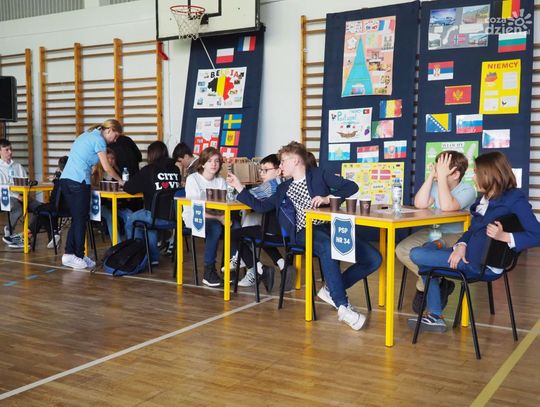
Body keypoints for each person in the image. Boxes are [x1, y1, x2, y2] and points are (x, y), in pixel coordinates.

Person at [227, 141, 382, 331]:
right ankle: (342, 306)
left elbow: (351, 186)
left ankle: (330, 290)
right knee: (326, 246)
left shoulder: (319, 175)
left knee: (374, 259)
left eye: (283, 161)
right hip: (303, 232)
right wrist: (239, 187)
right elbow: (261, 206)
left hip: (329, 229)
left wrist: (327, 198)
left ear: (295, 161)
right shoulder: (283, 188)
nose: (281, 166)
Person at [408, 152, 540, 332]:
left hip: (482, 264)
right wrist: (461, 246)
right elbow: (471, 230)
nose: (473, 177)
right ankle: (435, 315)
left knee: (417, 254)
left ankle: (435, 314)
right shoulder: (483, 199)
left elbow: (537, 234)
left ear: (489, 174)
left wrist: (505, 237)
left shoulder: (514, 198)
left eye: (477, 172)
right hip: (468, 255)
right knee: (426, 254)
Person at [396, 151, 476, 313]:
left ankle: (423, 286)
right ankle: (438, 282)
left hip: (457, 235)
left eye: (442, 169)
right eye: (437, 167)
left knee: (425, 252)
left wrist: (441, 180)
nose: (438, 171)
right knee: (402, 249)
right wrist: (431, 177)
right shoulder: (435, 185)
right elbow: (420, 204)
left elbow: (447, 206)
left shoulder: (467, 190)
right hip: (435, 231)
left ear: (456, 175)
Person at [60, 119, 124, 270]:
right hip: (79, 181)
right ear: (109, 130)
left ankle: (70, 254)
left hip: (66, 180)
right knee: (81, 219)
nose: (115, 140)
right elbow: (107, 167)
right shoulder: (99, 140)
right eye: (115, 136)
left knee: (77, 218)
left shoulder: (87, 135)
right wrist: (120, 180)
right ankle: (78, 255)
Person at [183, 147, 240, 287]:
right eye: (209, 161)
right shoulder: (193, 179)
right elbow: (196, 209)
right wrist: (220, 218)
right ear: (203, 163)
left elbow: (224, 205)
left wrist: (224, 218)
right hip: (195, 217)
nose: (214, 164)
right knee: (215, 227)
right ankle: (208, 273)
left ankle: (229, 267)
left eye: (217, 161)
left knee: (235, 225)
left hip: (216, 216)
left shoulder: (220, 181)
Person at [230, 154, 285, 291]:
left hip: (272, 232)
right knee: (254, 228)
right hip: (285, 234)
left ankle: (257, 268)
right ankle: (282, 263)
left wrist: (237, 187)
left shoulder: (270, 185)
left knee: (234, 234)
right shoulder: (285, 183)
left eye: (266, 170)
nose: (262, 173)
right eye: (260, 170)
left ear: (278, 171)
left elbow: (247, 196)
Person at [124, 141, 180, 266]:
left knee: (131, 220)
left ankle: (133, 254)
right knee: (149, 224)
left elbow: (129, 188)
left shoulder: (149, 170)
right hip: (175, 218)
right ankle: (152, 258)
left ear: (151, 155)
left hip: (155, 217)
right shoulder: (175, 169)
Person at [0, 138, 42, 248]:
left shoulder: (18, 166)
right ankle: (9, 228)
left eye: (11, 149)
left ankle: (26, 235)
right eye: (7, 150)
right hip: (5, 196)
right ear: (0, 152)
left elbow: (25, 182)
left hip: (22, 195)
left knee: (41, 208)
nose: (10, 152)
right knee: (18, 208)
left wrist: (25, 191)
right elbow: (1, 188)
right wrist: (17, 196)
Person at [30, 155, 68, 249]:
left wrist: (56, 178)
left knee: (39, 210)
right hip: (70, 209)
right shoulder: (73, 179)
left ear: (59, 168)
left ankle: (27, 235)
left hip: (58, 208)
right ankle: (53, 235)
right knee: (45, 211)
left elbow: (53, 199)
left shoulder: (59, 182)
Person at [100, 148, 132, 243]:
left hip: (117, 205)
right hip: (102, 206)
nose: (110, 161)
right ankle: (117, 245)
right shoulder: (98, 173)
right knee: (111, 217)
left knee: (130, 215)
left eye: (112, 158)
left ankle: (131, 244)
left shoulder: (118, 174)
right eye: (108, 158)